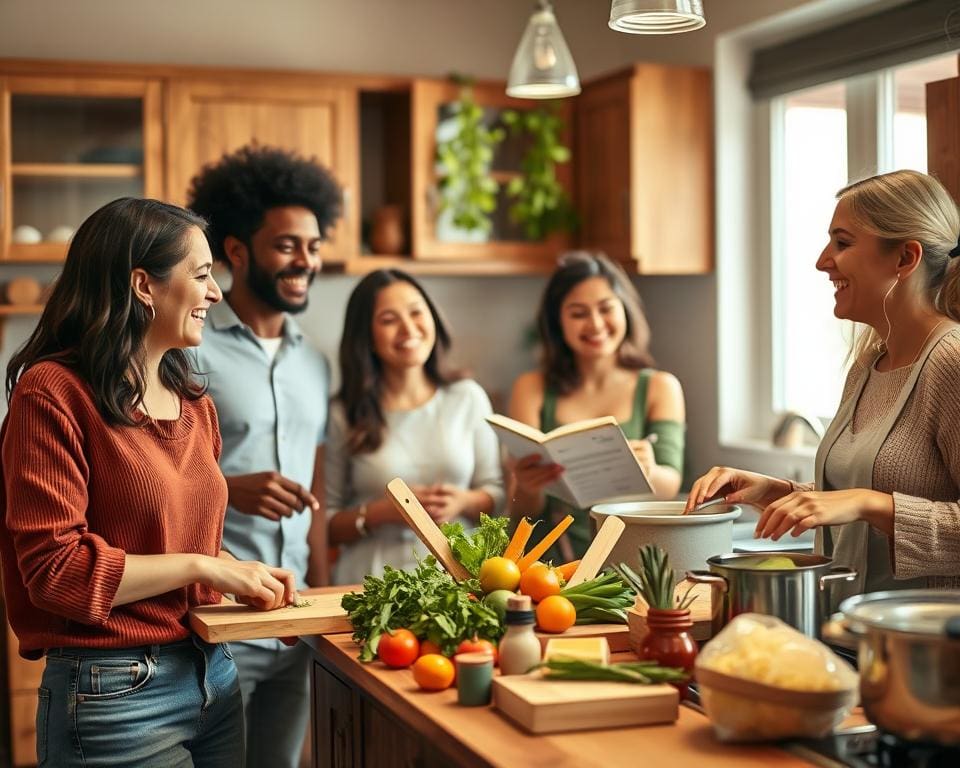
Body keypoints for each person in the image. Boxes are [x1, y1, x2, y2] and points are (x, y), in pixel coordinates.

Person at [0, 197, 297, 767]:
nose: (215, 294)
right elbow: (56, 573)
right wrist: (204, 566)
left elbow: (188, 542)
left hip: (213, 672)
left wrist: (241, 576)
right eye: (203, 275)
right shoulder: (52, 394)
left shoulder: (193, 404)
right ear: (143, 285)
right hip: (116, 694)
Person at [687, 170, 960, 603]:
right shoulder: (869, 365)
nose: (822, 260)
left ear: (905, 259)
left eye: (842, 243)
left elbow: (868, 502)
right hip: (854, 632)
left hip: (930, 647)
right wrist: (777, 493)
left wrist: (870, 503)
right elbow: (858, 499)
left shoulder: (951, 362)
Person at [186, 145, 341, 768]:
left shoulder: (314, 360)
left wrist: (326, 595)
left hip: (297, 610)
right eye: (286, 245)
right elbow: (158, 474)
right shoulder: (192, 350)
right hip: (216, 614)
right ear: (236, 251)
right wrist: (229, 487)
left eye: (313, 244)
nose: (305, 260)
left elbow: (320, 483)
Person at [326, 269, 505, 584]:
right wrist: (381, 513)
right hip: (371, 583)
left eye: (416, 312)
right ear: (365, 335)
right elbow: (325, 522)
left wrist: (464, 501)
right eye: (388, 319)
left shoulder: (467, 397)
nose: (408, 328)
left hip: (460, 583)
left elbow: (496, 493)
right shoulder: (344, 413)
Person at [508, 252, 686, 562]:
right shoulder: (531, 387)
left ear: (626, 311)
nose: (595, 324)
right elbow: (522, 508)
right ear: (557, 322)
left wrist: (649, 470)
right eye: (578, 313)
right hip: (547, 567)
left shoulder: (660, 386)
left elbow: (669, 485)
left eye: (606, 308)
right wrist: (526, 486)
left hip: (631, 560)